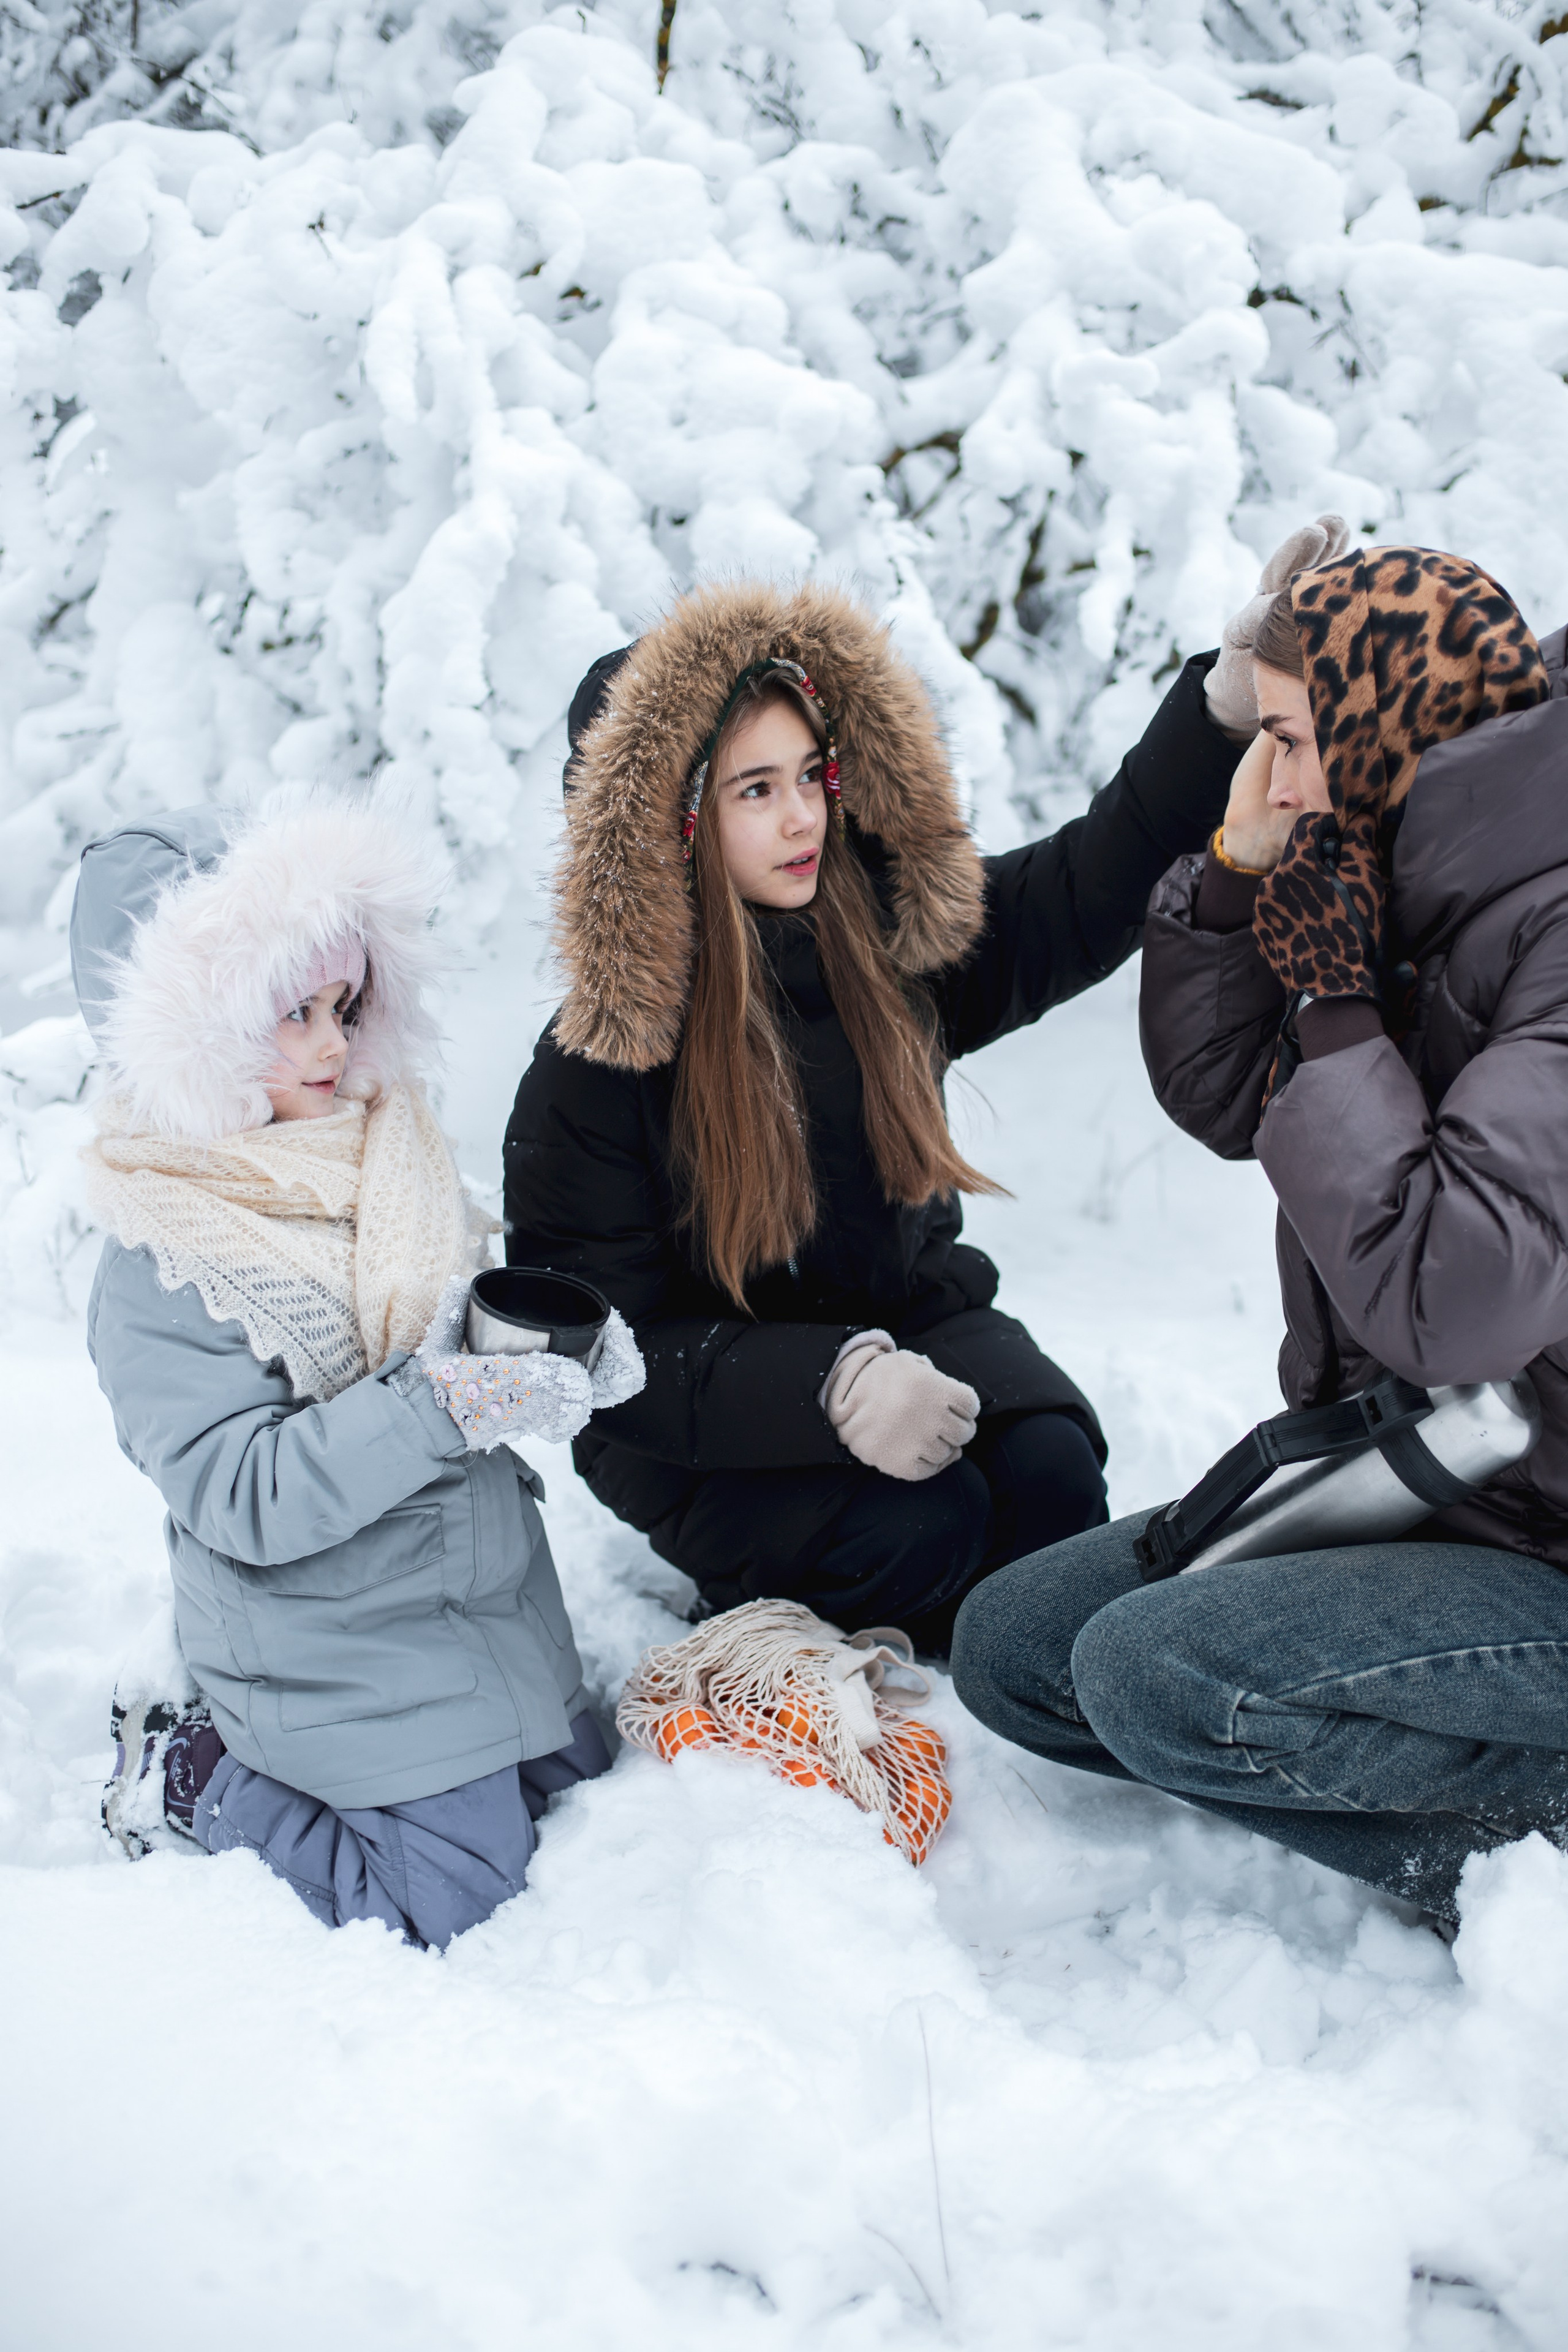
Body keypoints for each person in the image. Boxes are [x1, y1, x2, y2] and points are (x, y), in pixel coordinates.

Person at [950, 542, 1568, 1923]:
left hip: (1543, 1542)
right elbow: (1232, 1098)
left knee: (1156, 1678)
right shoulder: (1400, 860)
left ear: (1383, 728)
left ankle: (1521, 1884)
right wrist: (1235, 880)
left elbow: (1448, 1299)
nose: (1276, 778)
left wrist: (1336, 1005)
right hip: (1436, 1481)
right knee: (1019, 1653)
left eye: (1288, 740)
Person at [503, 575, 1247, 1652]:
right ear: (671, 823)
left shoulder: (882, 943)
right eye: (755, 789)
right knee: (917, 1534)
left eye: (812, 775)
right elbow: (603, 1359)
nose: (802, 816)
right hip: (702, 1420)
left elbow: (1089, 881)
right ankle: (791, 1621)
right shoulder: (599, 1064)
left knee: (1051, 1484)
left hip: (914, 1324)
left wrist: (1221, 711)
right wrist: (831, 1387)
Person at [75, 797, 641, 1949]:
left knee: (592, 1803)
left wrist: (536, 1356)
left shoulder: (382, 1153)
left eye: (342, 1007)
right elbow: (243, 1494)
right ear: (193, 1032)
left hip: (479, 1605)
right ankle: (190, 1771)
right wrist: (439, 1404)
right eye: (294, 1014)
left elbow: (438, 1332)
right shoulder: (164, 1255)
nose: (335, 1046)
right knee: (452, 1902)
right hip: (326, 1645)